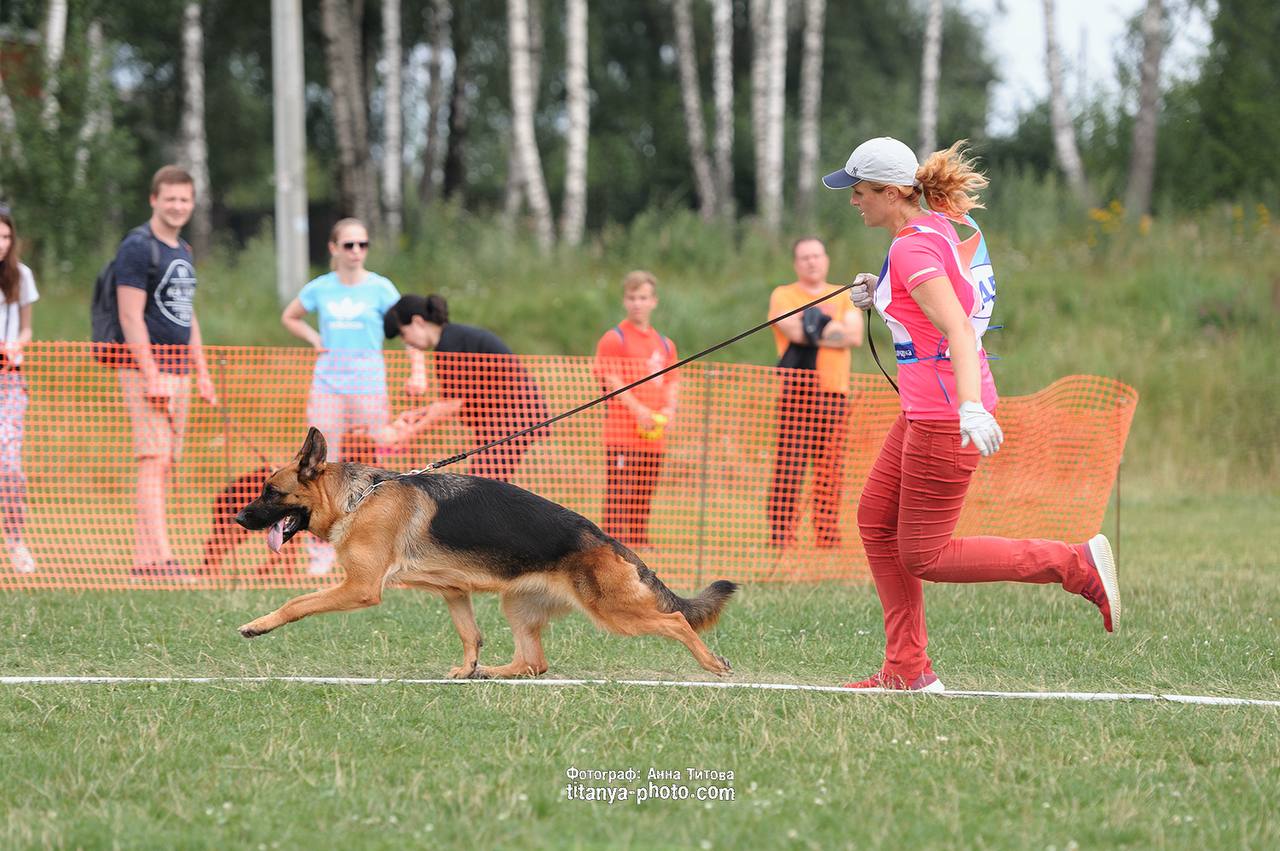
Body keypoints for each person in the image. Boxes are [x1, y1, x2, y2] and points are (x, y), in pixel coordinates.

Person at [822, 136, 1120, 691]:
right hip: (925, 409)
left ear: (891, 192)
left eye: (860, 191)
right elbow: (935, 300)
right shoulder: (932, 228)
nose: (854, 200)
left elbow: (958, 327)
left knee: (925, 555)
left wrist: (970, 408)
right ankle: (907, 669)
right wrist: (880, 290)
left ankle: (1074, 564)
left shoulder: (912, 248)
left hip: (944, 413)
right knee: (876, 522)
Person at [281, 217, 424, 574]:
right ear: (334, 248)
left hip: (369, 386)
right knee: (319, 467)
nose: (357, 251)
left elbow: (408, 328)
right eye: (349, 245)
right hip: (328, 386)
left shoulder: (380, 288)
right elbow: (291, 316)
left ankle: (376, 540)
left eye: (363, 244)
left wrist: (418, 369)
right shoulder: (321, 287)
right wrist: (314, 339)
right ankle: (320, 547)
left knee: (373, 462)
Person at [115, 166, 217, 582]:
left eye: (185, 199)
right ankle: (161, 559)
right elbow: (129, 314)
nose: (178, 206)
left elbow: (186, 314)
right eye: (170, 198)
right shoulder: (138, 247)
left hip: (180, 371)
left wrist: (202, 371)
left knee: (166, 462)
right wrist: (150, 374)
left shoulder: (183, 250)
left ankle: (145, 560)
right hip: (147, 370)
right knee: (153, 460)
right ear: (154, 199)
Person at [382, 294, 548, 482]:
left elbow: (452, 405)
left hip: (513, 418)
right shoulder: (452, 338)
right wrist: (419, 415)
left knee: (482, 484)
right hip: (505, 419)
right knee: (485, 483)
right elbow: (452, 401)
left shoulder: (449, 345)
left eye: (403, 334)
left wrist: (411, 432)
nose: (406, 342)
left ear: (418, 321)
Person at [766, 237, 863, 549]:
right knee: (789, 465)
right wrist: (832, 328)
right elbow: (792, 331)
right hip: (796, 393)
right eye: (805, 257)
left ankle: (827, 533)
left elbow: (854, 336)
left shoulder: (844, 294)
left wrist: (813, 327)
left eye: (817, 256)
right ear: (796, 263)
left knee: (830, 468)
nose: (812, 262)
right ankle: (782, 534)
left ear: (826, 259)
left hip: (834, 392)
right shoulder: (783, 294)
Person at [592, 270, 679, 549]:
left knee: (645, 489)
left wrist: (670, 408)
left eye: (643, 298)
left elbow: (672, 380)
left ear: (654, 301)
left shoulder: (665, 344)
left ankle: (640, 539)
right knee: (619, 490)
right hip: (622, 433)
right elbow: (611, 378)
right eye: (632, 298)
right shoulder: (614, 338)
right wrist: (638, 409)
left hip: (653, 434)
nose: (637, 304)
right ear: (624, 301)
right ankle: (614, 544)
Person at [0, 206, 37, 574]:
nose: (1, 243)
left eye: (6, 236)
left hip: (9, 381)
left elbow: (26, 328)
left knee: (9, 466)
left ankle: (15, 540)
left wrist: (16, 345)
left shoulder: (21, 276)